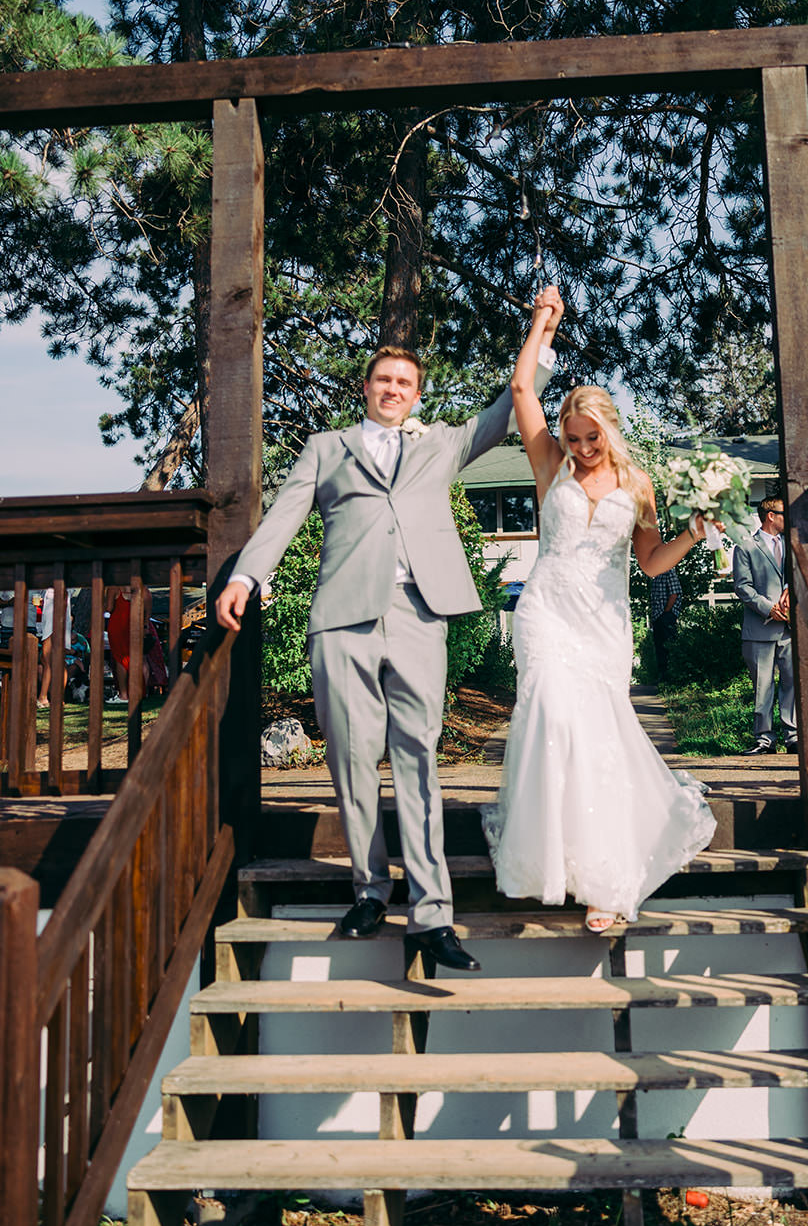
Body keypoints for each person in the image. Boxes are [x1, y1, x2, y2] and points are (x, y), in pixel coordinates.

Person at [216, 315, 558, 972]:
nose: (393, 389)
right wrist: (246, 574)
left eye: (404, 381)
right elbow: (284, 514)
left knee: (417, 761)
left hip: (417, 615)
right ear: (366, 388)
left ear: (416, 394)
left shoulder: (443, 444)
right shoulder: (326, 447)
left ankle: (433, 914)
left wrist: (540, 334)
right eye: (383, 380)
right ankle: (369, 890)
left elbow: (506, 408)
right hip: (341, 618)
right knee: (349, 757)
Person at [483, 291, 716, 933]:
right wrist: (542, 324)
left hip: (605, 623)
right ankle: (548, 862)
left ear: (609, 432)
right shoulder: (548, 463)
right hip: (547, 611)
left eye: (592, 438)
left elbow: (651, 563)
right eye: (574, 436)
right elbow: (522, 387)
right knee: (553, 717)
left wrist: (694, 531)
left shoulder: (637, 486)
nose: (583, 448)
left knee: (597, 742)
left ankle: (602, 881)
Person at [732, 495, 796, 755]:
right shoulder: (745, 545)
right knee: (763, 686)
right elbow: (742, 587)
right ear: (771, 515)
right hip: (760, 629)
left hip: (791, 629)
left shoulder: (792, 544)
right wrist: (769, 608)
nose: (788, 518)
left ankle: (793, 737)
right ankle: (764, 739)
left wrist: (791, 590)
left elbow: (798, 574)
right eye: (784, 513)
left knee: (792, 682)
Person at [648, 566, 682, 680]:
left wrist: (666, 612)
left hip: (666, 615)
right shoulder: (656, 575)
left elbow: (674, 594)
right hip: (657, 616)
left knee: (669, 645)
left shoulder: (669, 571)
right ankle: (663, 675)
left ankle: (672, 676)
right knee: (659, 647)